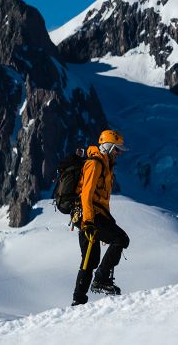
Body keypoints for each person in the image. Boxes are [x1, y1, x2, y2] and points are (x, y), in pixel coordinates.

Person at [71, 130, 131, 306]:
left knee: (90, 259)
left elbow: (100, 198)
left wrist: (107, 220)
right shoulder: (95, 164)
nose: (119, 153)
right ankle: (101, 280)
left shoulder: (105, 165)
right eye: (117, 150)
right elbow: (86, 195)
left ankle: (78, 299)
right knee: (120, 239)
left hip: (93, 215)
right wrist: (89, 222)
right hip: (89, 215)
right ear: (109, 147)